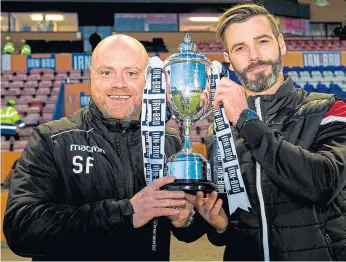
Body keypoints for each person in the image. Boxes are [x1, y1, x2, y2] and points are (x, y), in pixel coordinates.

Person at [3, 34, 205, 261]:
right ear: (91, 76)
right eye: (107, 72)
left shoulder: (170, 141)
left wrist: (185, 220)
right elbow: (21, 228)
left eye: (131, 73)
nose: (119, 83)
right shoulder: (52, 139)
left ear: (147, 78)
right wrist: (126, 213)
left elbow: (188, 228)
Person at [193, 4, 346, 261]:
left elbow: (323, 184)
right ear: (228, 57)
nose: (254, 55)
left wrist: (245, 120)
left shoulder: (330, 109)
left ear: (281, 44)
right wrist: (221, 225)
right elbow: (231, 226)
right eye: (240, 48)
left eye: (262, 41)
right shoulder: (220, 132)